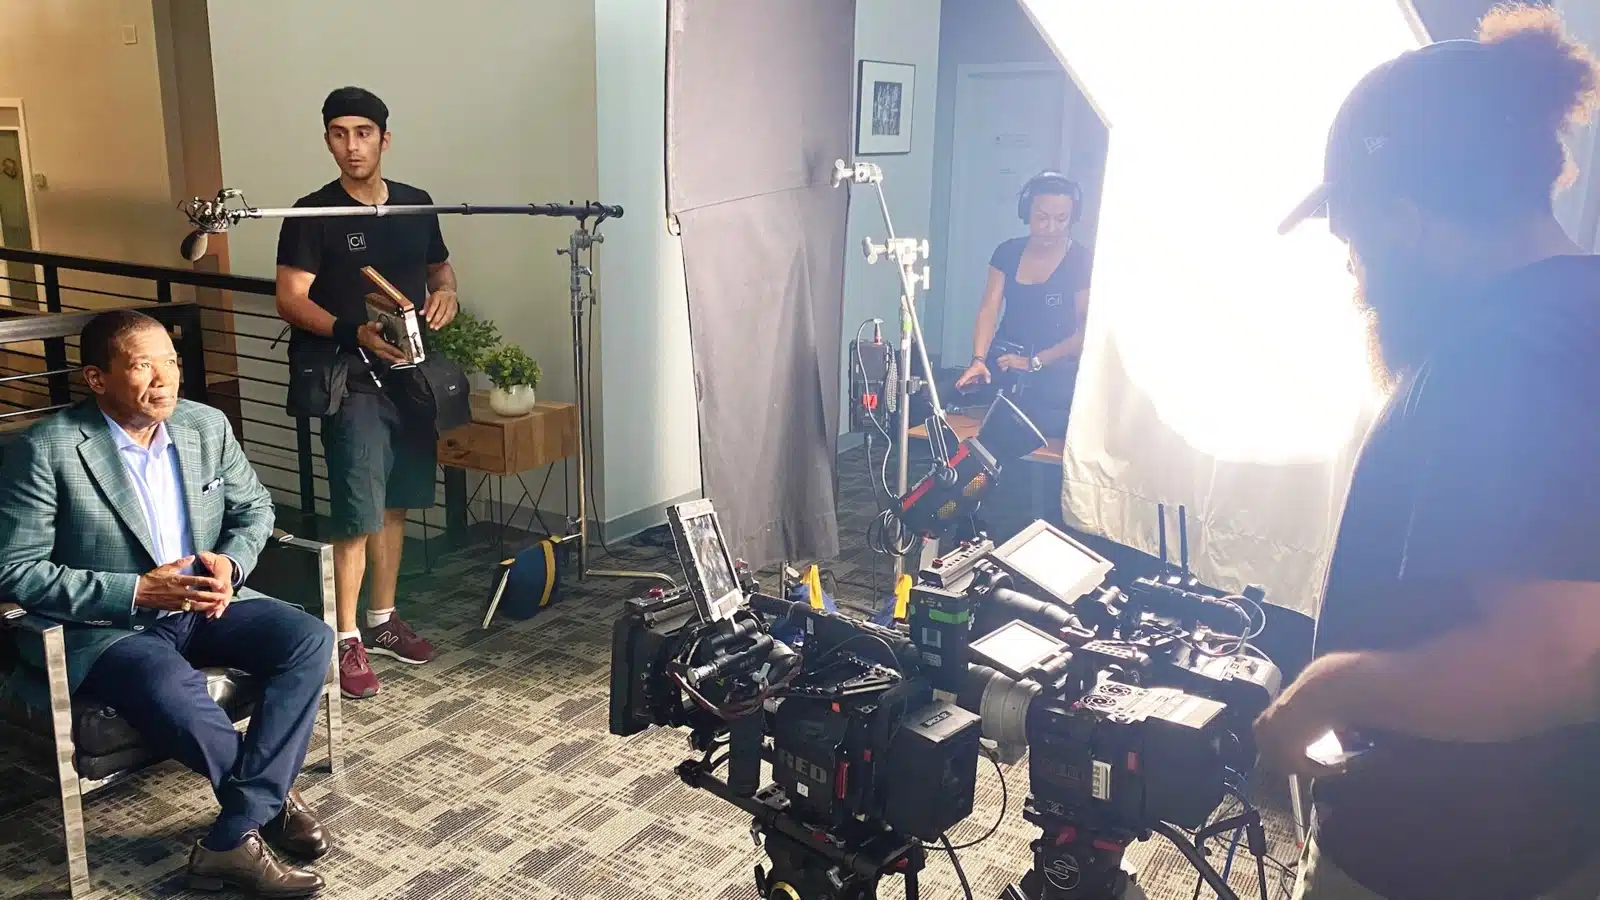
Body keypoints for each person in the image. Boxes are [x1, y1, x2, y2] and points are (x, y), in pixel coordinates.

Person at [1260, 6, 1600, 900]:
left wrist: (1329, 688)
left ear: (1407, 219)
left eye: (1356, 241)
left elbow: (1559, 659)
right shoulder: (1578, 313)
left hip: (1452, 857)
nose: (1354, 273)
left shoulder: (1503, 354)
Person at [0, 310, 333, 896]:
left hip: (207, 603)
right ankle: (264, 811)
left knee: (309, 638)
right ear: (97, 378)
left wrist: (231, 563)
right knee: (170, 683)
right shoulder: (47, 450)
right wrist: (135, 591)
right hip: (110, 626)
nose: (165, 378)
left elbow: (255, 510)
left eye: (171, 361)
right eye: (142, 364)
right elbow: (15, 570)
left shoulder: (206, 427)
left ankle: (233, 834)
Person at [274, 87, 460, 700]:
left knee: (396, 503)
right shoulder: (312, 214)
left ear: (385, 137)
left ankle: (382, 620)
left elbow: (439, 270)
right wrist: (352, 330)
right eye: (338, 133)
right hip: (348, 377)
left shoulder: (414, 205)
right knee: (356, 511)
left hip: (410, 374)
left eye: (362, 132)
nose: (351, 146)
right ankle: (345, 635)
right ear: (327, 139)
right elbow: (291, 299)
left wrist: (447, 296)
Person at [952, 171, 1092, 437]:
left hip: (1055, 371)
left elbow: (1084, 331)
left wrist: (1034, 362)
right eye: (1042, 218)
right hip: (1006, 362)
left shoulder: (1080, 259)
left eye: (1061, 219)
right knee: (947, 403)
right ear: (1026, 213)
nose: (1051, 228)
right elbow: (988, 309)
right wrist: (978, 359)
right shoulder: (1007, 251)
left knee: (1026, 429)